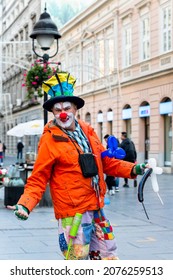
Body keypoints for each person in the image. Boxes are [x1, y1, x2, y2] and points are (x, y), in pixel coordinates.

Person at [8, 72, 147, 260]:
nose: (63, 113)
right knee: (77, 259)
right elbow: (39, 177)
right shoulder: (50, 139)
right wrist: (25, 204)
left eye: (67, 108)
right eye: (57, 110)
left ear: (75, 109)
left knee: (108, 255)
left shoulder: (88, 131)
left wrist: (133, 169)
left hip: (96, 207)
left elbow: (104, 161)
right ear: (53, 113)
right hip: (72, 213)